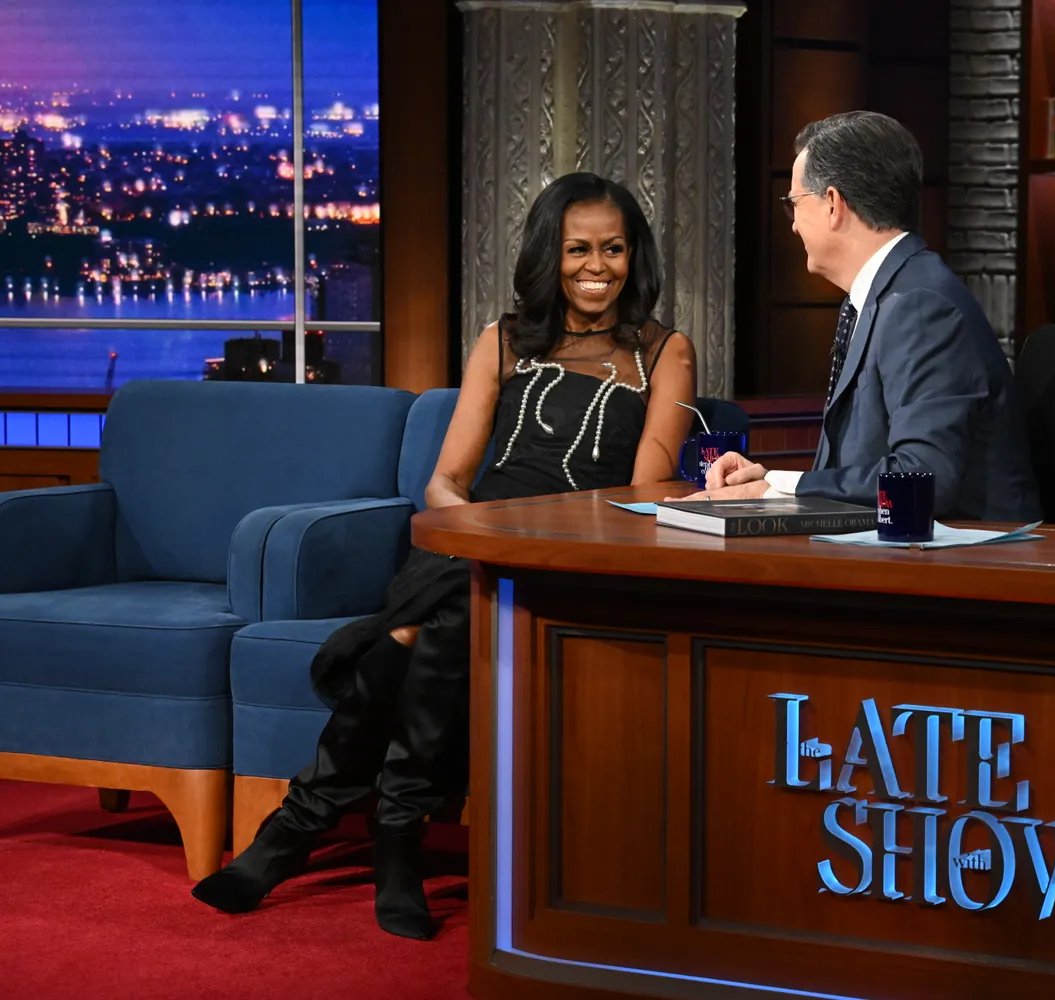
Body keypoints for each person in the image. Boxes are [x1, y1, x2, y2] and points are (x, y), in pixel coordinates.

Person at [191, 172, 696, 939]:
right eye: (578, 249)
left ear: (637, 255)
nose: (598, 266)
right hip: (470, 545)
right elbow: (445, 481)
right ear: (549, 254)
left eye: (615, 249)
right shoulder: (502, 340)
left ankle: (299, 832)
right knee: (445, 607)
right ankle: (393, 834)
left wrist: (525, 544)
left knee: (416, 628)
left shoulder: (665, 353)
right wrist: (478, 535)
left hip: (576, 553)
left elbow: (646, 493)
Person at [685, 111, 1039, 522]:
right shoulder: (885, 293)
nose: (794, 226)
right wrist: (770, 484)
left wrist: (781, 487)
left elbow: (922, 479)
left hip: (963, 566)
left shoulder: (919, 305)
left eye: (794, 204)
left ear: (833, 204)